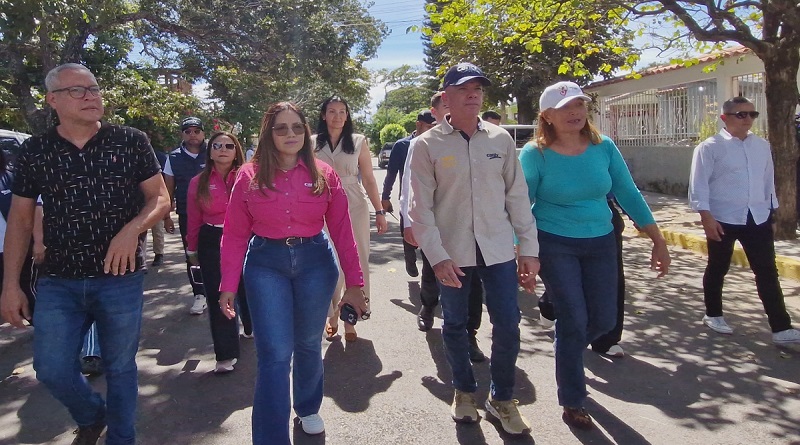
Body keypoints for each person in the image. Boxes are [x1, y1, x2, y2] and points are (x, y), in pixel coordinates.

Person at [0, 63, 169, 445]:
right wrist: (11, 285)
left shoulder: (130, 140)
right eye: (78, 90)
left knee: (121, 368)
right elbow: (21, 221)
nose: (91, 95)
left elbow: (159, 198)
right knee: (51, 368)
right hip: (60, 279)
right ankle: (91, 412)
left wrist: (132, 231)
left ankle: (121, 439)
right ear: (53, 100)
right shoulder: (35, 151)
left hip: (120, 278)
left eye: (94, 88)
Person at [519, 81, 670, 430]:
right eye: (565, 107)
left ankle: (567, 350)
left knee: (602, 320)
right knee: (574, 316)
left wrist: (657, 239)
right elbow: (520, 204)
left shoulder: (604, 148)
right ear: (547, 116)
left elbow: (627, 192)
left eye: (579, 105)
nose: (574, 112)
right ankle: (573, 399)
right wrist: (522, 251)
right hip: (555, 242)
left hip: (601, 239)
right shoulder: (534, 154)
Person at [218, 101, 367, 444]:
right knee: (274, 354)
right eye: (281, 128)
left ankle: (308, 406)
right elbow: (235, 232)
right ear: (268, 134)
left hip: (315, 261)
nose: (290, 134)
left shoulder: (323, 174)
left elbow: (343, 231)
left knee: (308, 344)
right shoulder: (249, 175)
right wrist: (228, 284)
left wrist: (356, 284)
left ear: (306, 133)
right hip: (265, 265)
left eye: (297, 128)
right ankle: (271, 436)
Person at [409, 63, 540, 435]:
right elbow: (421, 210)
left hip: (498, 251)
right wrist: (437, 257)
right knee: (454, 324)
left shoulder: (500, 139)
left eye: (478, 88)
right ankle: (464, 391)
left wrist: (528, 248)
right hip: (452, 254)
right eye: (464, 88)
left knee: (508, 324)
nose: (473, 94)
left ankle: (502, 399)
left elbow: (517, 196)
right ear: (446, 97)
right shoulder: (426, 145)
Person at [689, 96, 800, 344]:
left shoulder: (761, 146)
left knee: (767, 271)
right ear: (725, 118)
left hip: (757, 216)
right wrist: (705, 216)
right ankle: (713, 314)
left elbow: (768, 181)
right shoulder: (709, 147)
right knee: (718, 267)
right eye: (741, 114)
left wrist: (771, 212)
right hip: (722, 217)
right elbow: (699, 186)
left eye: (752, 114)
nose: (748, 119)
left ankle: (781, 328)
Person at [400, 93, 488, 362]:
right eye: (445, 107)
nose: (452, 110)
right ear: (435, 112)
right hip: (436, 228)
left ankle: (469, 335)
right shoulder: (423, 144)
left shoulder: (480, 139)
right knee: (432, 273)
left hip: (474, 231)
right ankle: (428, 307)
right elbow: (409, 187)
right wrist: (409, 222)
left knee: (473, 287)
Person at [312, 96, 387, 342]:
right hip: (320, 203)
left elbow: (369, 179)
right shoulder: (311, 143)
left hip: (354, 202)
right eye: (332, 111)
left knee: (358, 258)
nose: (337, 116)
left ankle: (351, 317)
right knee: (328, 260)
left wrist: (379, 211)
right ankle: (331, 314)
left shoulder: (358, 142)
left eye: (342, 111)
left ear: (348, 116)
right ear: (323, 115)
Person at [186, 131, 252, 373]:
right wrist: (191, 248)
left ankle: (251, 325)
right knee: (218, 295)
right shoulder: (198, 182)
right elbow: (193, 219)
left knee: (248, 287)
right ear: (210, 151)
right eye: (217, 145)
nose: (223, 149)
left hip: (246, 238)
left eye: (228, 145)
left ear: (236, 151)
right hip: (212, 239)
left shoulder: (248, 178)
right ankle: (226, 353)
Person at [537, 196, 627, 358]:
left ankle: (605, 339)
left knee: (611, 281)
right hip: (560, 219)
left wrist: (640, 218)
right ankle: (551, 307)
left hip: (602, 216)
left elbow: (622, 184)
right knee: (566, 282)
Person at [381, 110, 437, 278]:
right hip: (408, 199)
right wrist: (385, 197)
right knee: (408, 235)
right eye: (429, 127)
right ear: (418, 124)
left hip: (432, 200)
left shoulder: (437, 144)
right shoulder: (402, 146)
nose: (432, 131)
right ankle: (409, 259)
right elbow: (391, 173)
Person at [163, 116, 208, 314]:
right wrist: (166, 217)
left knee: (221, 253)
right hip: (187, 214)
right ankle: (199, 294)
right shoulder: (173, 158)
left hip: (216, 214)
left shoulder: (214, 152)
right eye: (188, 131)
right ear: (182, 134)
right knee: (192, 255)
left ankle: (223, 290)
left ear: (203, 133)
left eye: (196, 131)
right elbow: (167, 189)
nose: (192, 135)